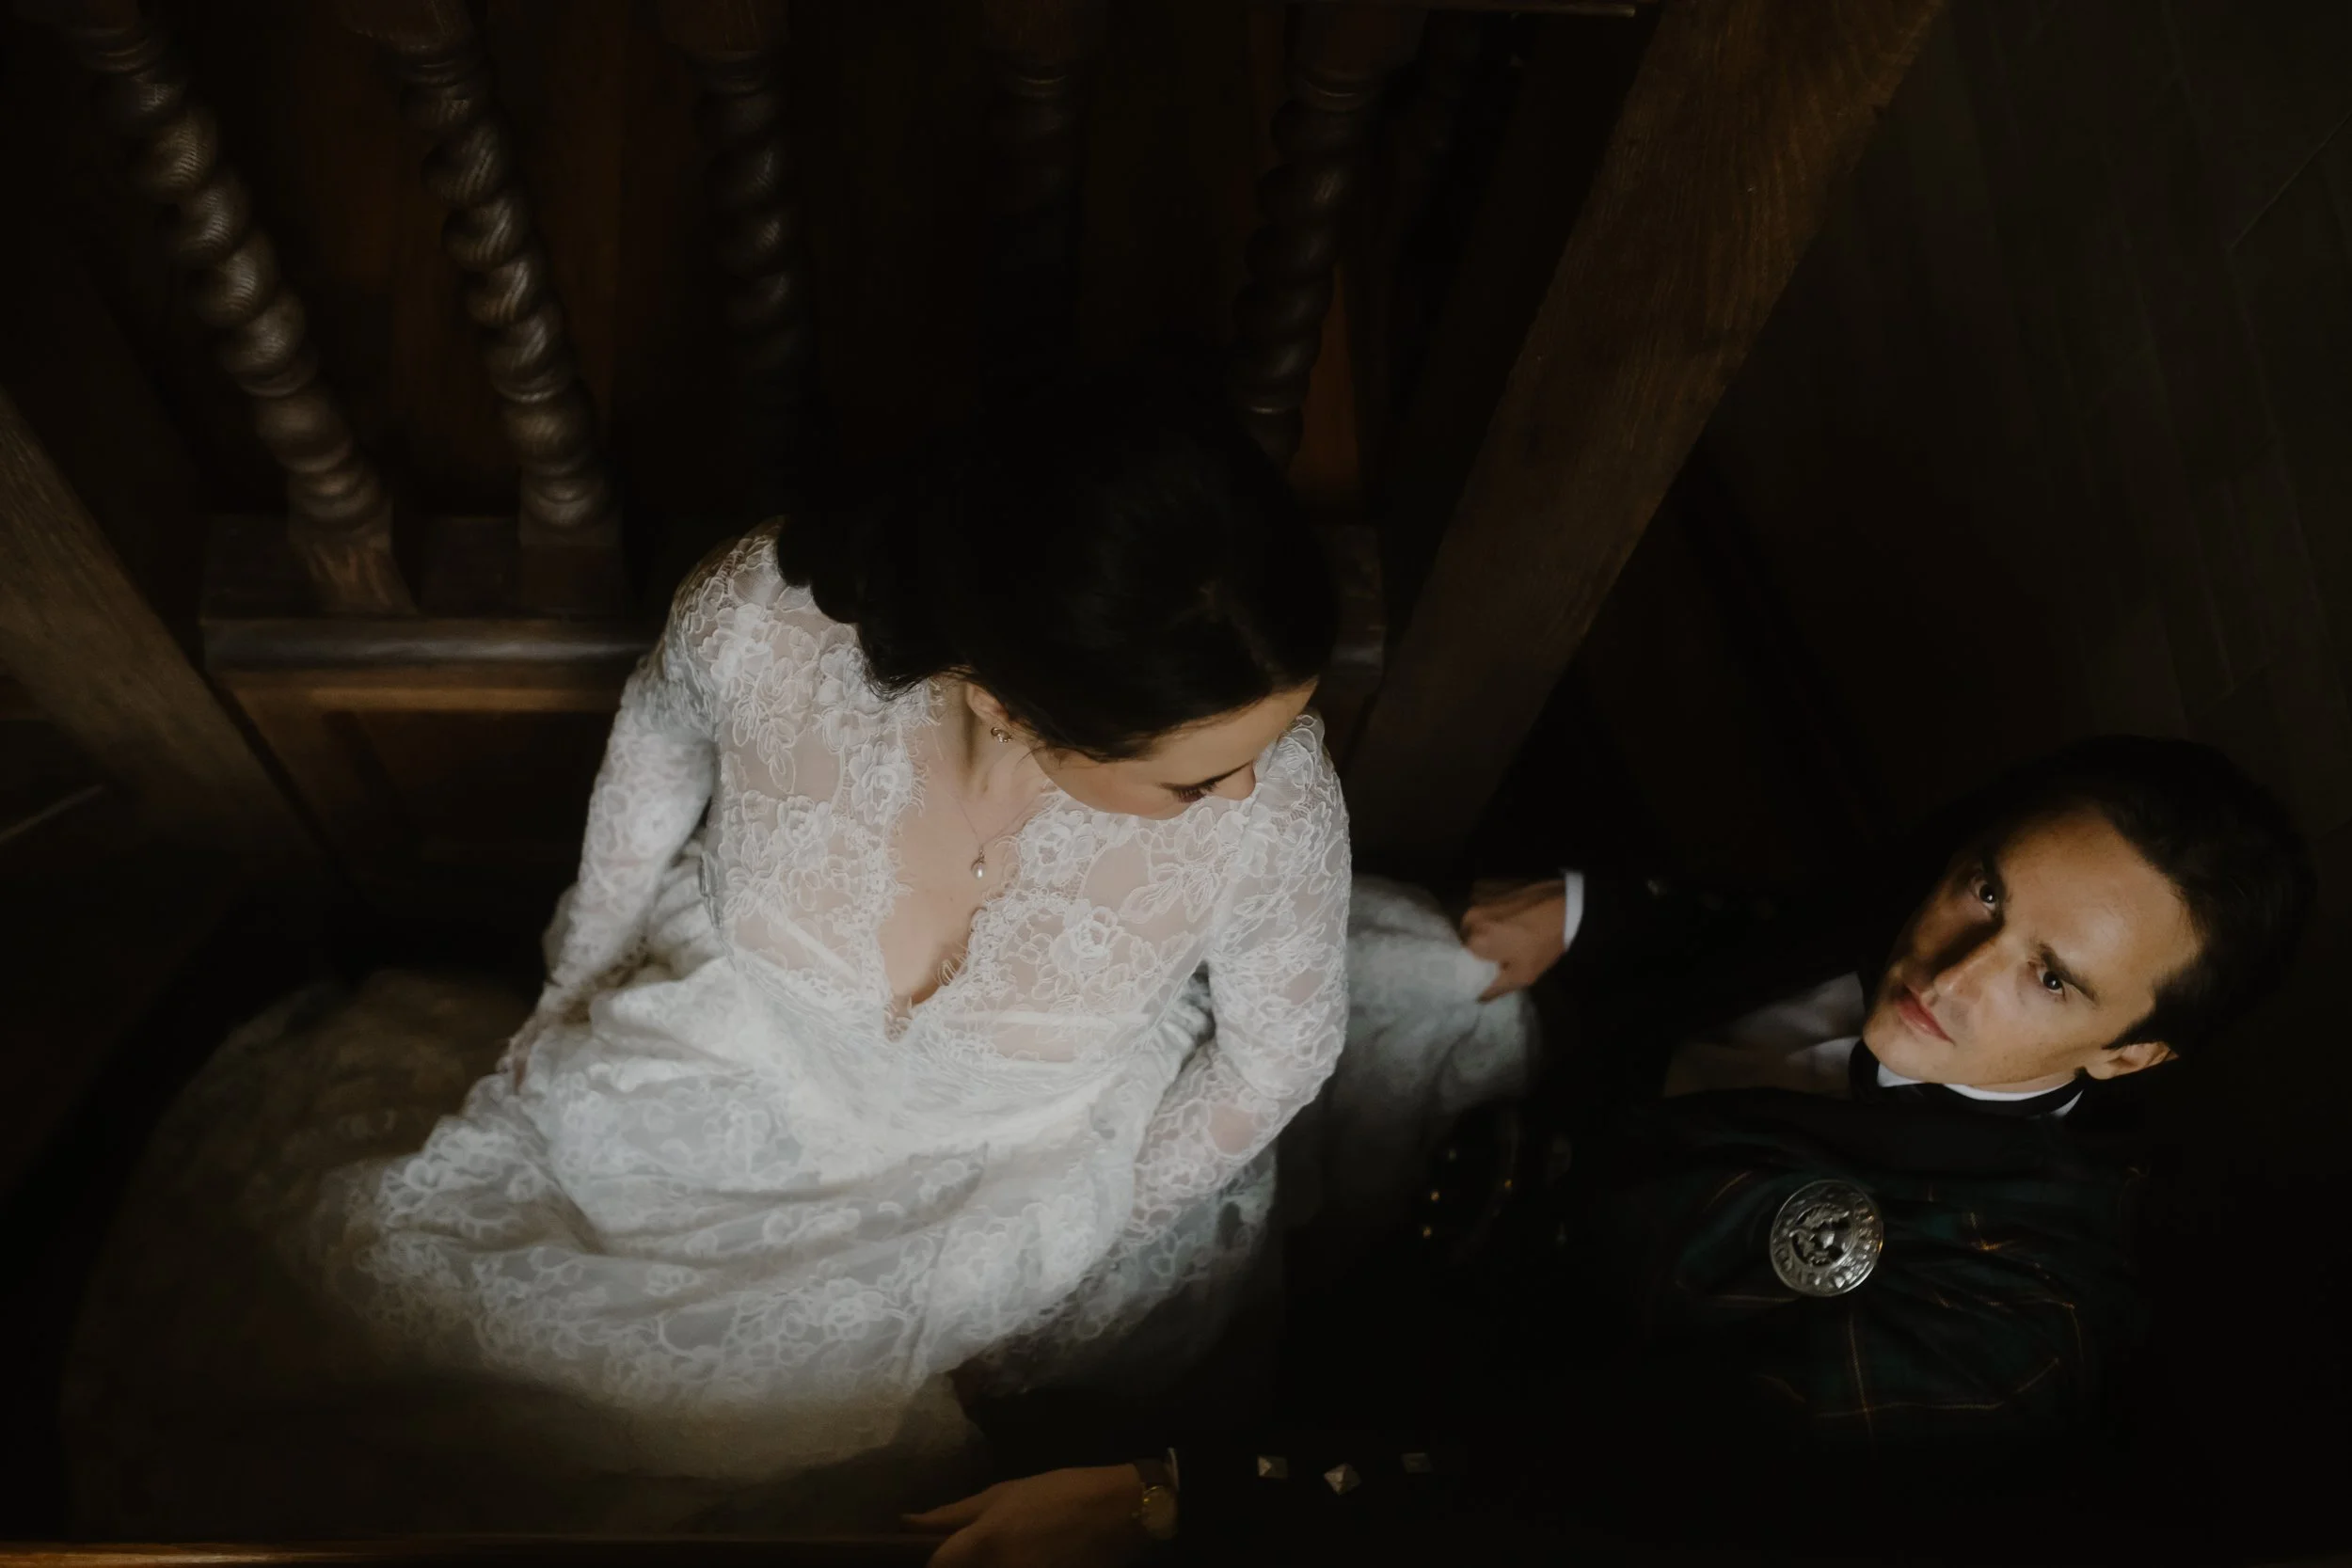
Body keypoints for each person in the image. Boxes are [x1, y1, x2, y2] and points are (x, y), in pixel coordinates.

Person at [65, 372, 1357, 1534]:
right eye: (1201, 778)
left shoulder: (1276, 814)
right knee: (424, 1315)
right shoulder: (765, 628)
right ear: (1006, 702)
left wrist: (1081, 1255)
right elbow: (653, 756)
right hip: (736, 1056)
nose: (1254, 794)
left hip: (1012, 1159)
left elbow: (1280, 1050)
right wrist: (573, 981)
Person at [906, 736, 2312, 1565]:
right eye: (1981, 890)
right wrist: (1587, 910)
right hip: (1520, 1137)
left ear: (2133, 1053)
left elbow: (1596, 1481)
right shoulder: (1948, 920)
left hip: (1469, 1377)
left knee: (1081, 1338)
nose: (1954, 961)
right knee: (1397, 962)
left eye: (2052, 981)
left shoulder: (2007, 1317)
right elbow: (1775, 921)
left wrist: (1174, 1495)